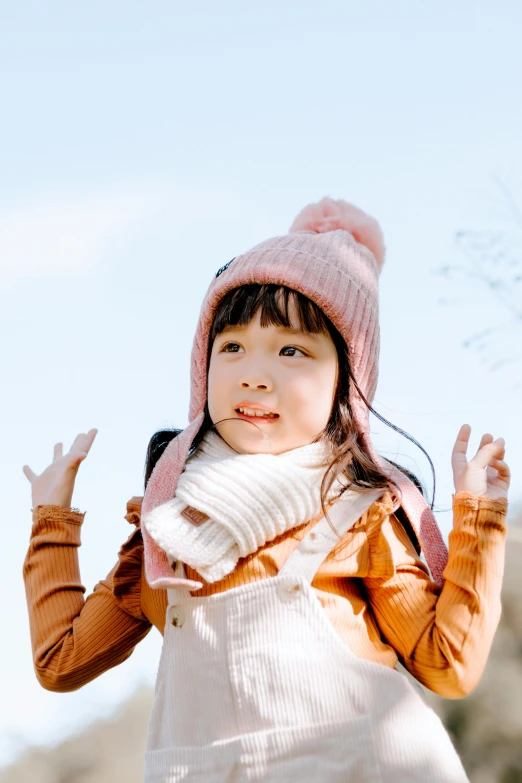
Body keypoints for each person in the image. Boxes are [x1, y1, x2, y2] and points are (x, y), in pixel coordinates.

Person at [23, 197, 510, 782]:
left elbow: (448, 663)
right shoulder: (168, 535)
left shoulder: (356, 514)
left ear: (345, 384)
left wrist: (480, 518)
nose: (254, 373)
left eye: (291, 350)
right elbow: (62, 661)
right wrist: (52, 519)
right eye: (230, 347)